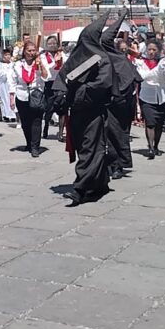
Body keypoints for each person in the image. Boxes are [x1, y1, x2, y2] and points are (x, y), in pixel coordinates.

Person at [53, 12, 113, 206]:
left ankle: (80, 189)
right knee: (83, 148)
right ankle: (100, 183)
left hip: (93, 111)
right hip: (76, 112)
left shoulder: (102, 58)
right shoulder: (78, 56)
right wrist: (60, 96)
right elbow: (62, 78)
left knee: (89, 149)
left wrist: (78, 90)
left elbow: (102, 83)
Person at [102, 11, 140, 179]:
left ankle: (118, 163)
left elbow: (134, 78)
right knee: (108, 134)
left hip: (122, 102)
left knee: (119, 133)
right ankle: (112, 163)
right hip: (108, 101)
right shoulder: (102, 57)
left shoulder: (120, 58)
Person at [135, 39, 165, 159]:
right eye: (149, 49)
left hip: (162, 97)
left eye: (154, 50)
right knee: (150, 123)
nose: (151, 52)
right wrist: (157, 71)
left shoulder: (164, 61)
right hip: (147, 96)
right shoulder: (140, 62)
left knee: (159, 123)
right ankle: (150, 147)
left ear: (159, 51)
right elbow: (144, 77)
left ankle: (156, 146)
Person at [12, 40, 48, 157]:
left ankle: (35, 147)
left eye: (33, 50)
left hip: (36, 94)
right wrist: (12, 97)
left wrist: (40, 64)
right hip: (22, 95)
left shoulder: (39, 62)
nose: (31, 53)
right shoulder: (18, 64)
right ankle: (29, 142)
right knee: (25, 123)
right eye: (29, 50)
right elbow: (13, 80)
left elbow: (46, 76)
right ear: (24, 51)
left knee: (36, 122)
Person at [40, 36, 64, 141]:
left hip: (60, 83)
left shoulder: (62, 54)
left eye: (54, 43)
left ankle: (61, 132)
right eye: (50, 43)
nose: (52, 45)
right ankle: (45, 128)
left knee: (62, 109)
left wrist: (61, 61)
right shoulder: (43, 56)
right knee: (49, 109)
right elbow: (46, 68)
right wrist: (55, 62)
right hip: (49, 84)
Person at [0, 48, 17, 122]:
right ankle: (5, 115)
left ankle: (13, 115)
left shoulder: (13, 64)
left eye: (9, 55)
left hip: (11, 83)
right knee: (4, 99)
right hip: (4, 83)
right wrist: (6, 74)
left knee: (12, 98)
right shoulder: (0, 65)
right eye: (6, 55)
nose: (8, 56)